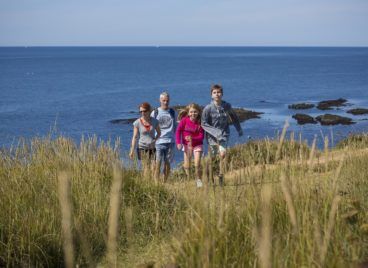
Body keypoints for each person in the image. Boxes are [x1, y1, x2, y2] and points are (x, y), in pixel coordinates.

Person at [201, 84, 243, 186]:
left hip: (224, 135)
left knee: (222, 155)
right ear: (211, 95)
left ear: (222, 94)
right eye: (214, 93)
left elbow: (234, 117)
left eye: (219, 92)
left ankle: (220, 177)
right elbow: (203, 124)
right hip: (212, 138)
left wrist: (239, 129)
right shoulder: (208, 108)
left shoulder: (227, 106)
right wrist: (216, 133)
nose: (217, 95)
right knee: (212, 158)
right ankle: (209, 176)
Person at [176, 103, 205, 188]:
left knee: (197, 164)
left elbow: (201, 136)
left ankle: (198, 181)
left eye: (195, 112)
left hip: (197, 145)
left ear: (198, 112)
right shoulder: (184, 120)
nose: (193, 114)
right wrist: (178, 143)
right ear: (188, 113)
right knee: (187, 165)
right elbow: (178, 131)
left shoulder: (200, 122)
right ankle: (189, 180)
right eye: (191, 112)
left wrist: (192, 138)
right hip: (186, 145)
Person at [129, 102, 161, 176]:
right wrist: (132, 150)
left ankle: (154, 183)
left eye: (144, 111)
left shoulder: (154, 121)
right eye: (141, 111)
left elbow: (159, 133)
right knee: (146, 167)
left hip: (152, 147)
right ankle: (147, 183)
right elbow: (135, 137)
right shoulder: (137, 123)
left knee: (154, 167)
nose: (143, 113)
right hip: (142, 147)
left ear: (149, 111)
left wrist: (155, 140)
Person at [151, 92, 177, 182]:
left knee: (167, 163)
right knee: (157, 163)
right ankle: (156, 182)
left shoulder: (173, 112)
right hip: (158, 142)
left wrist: (176, 141)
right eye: (163, 100)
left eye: (167, 100)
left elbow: (175, 127)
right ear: (160, 100)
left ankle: (164, 182)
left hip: (170, 141)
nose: (165, 102)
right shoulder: (155, 112)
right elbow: (151, 127)